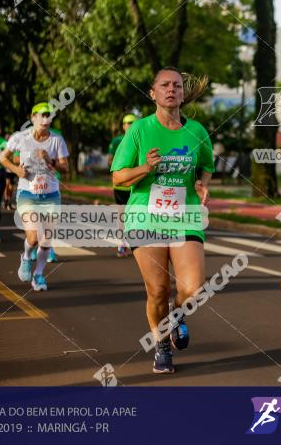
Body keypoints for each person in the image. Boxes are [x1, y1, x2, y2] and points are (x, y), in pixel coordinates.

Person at [111, 67, 214, 374]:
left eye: (177, 86)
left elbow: (206, 165)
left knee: (193, 289)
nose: (172, 89)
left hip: (185, 216)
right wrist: (145, 167)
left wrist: (202, 183)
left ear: (183, 93)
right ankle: (162, 345)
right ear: (152, 93)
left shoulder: (196, 131)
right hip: (145, 216)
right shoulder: (139, 130)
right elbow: (118, 177)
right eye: (165, 85)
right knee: (158, 290)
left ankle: (177, 317)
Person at [0, 103, 70, 292]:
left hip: (51, 195)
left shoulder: (57, 140)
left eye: (49, 115)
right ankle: (26, 257)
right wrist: (15, 169)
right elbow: (3, 157)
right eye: (42, 115)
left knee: (46, 239)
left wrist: (50, 160)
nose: (46, 119)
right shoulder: (20, 138)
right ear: (33, 117)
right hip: (28, 193)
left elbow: (66, 168)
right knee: (32, 238)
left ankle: (38, 275)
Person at [107, 114, 138, 257]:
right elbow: (110, 161)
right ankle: (121, 244)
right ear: (124, 125)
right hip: (121, 187)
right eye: (129, 123)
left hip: (136, 186)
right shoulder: (117, 141)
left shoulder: (141, 139)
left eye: (134, 122)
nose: (131, 125)